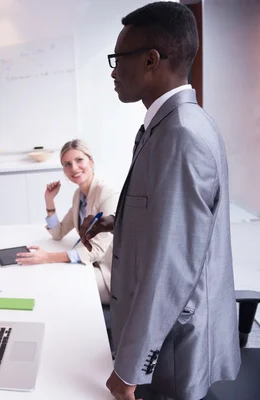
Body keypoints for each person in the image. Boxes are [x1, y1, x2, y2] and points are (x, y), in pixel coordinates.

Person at [81, 3, 240, 399]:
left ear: (151, 60)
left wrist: (131, 367)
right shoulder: (173, 124)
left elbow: (172, 264)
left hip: (171, 353)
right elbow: (170, 221)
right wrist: (117, 222)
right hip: (165, 339)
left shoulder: (181, 134)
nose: (114, 71)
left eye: (118, 59)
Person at [16, 140, 118, 304]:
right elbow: (58, 232)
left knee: (58, 285)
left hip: (107, 271)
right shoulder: (79, 196)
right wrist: (49, 200)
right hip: (89, 263)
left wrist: (48, 257)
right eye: (67, 164)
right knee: (49, 275)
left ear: (91, 161)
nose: (74, 168)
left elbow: (97, 249)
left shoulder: (107, 194)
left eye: (79, 160)